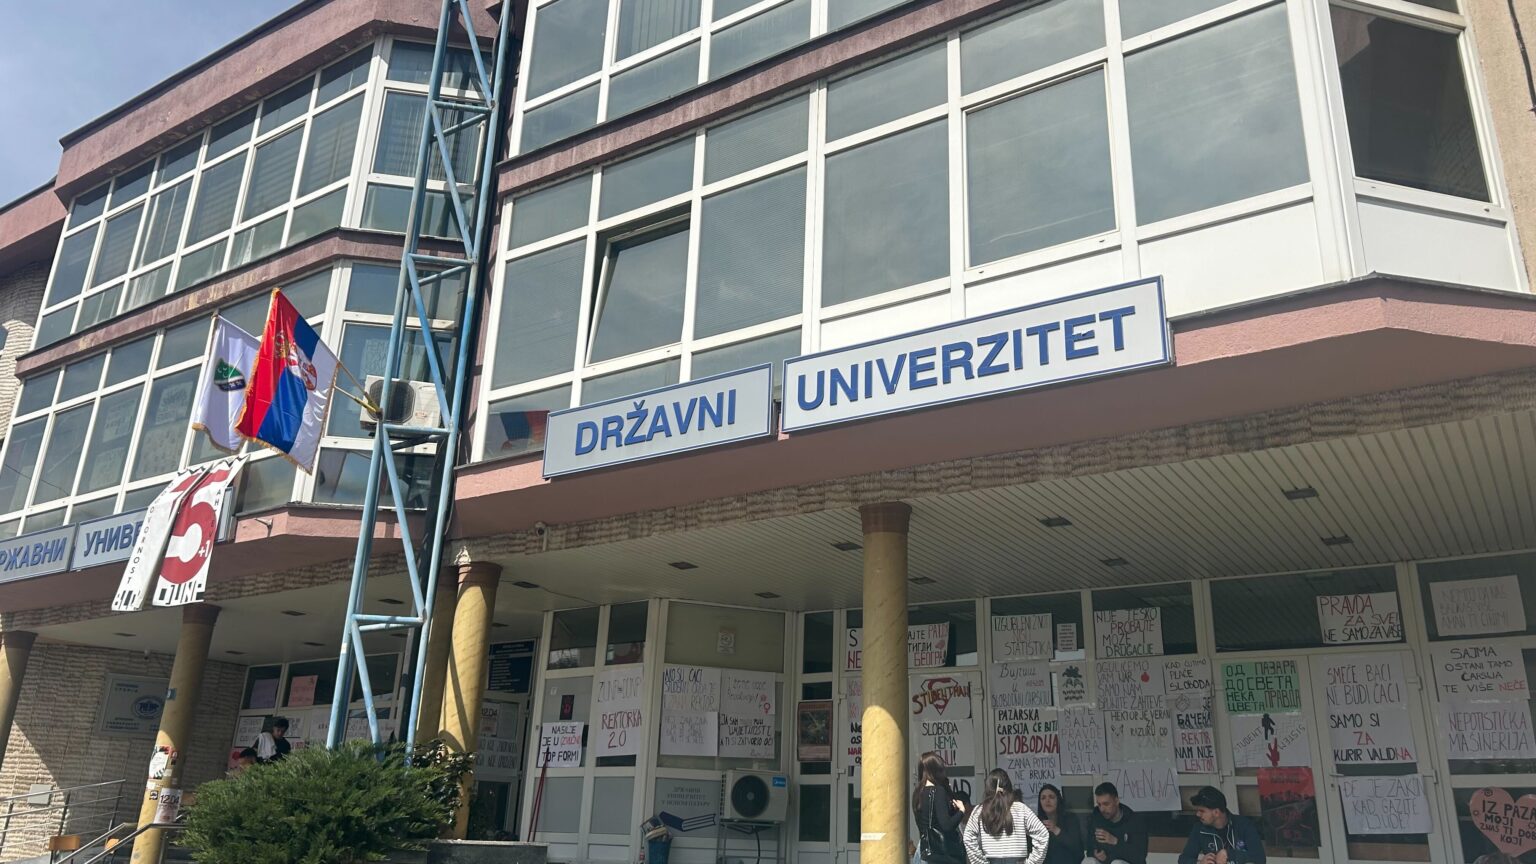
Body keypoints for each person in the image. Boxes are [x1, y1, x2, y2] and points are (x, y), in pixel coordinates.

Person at [962, 770, 1049, 864]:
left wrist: (979, 862)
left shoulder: (980, 810)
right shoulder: (1020, 808)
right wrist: (1032, 862)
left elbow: (968, 837)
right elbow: (1043, 834)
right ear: (1009, 786)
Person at [1179, 787, 1265, 864]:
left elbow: (1260, 858)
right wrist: (1199, 863)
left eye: (1202, 811)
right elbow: (1183, 859)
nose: (1198, 814)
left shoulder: (1244, 825)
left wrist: (1229, 854)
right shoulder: (1199, 829)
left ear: (1216, 812)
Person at [913, 751, 968, 864]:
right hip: (940, 853)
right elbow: (947, 825)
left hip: (923, 850)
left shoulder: (917, 793)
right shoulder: (938, 791)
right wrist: (961, 811)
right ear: (936, 770)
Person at [1088, 782, 1147, 864]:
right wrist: (1096, 853)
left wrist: (1115, 841)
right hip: (1105, 862)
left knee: (1117, 863)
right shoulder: (1096, 817)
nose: (1102, 809)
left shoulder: (1134, 821)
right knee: (1088, 861)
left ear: (1116, 801)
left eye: (1106, 804)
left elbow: (1139, 857)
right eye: (1099, 804)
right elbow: (1089, 848)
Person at [1036, 783, 1083, 864]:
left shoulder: (1070, 819)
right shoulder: (1036, 822)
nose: (1047, 800)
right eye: (1043, 798)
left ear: (1058, 800)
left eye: (1051, 797)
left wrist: (1056, 830)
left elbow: (1077, 848)